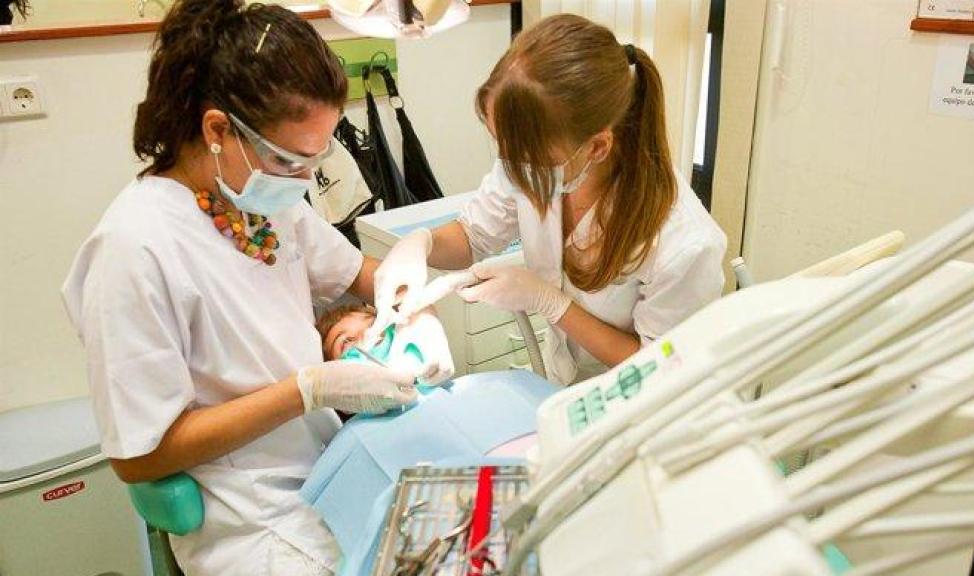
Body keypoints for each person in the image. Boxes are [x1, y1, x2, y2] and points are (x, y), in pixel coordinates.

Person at [61, 1, 451, 574]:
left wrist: (411, 301)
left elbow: (360, 276)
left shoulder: (265, 203)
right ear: (218, 129)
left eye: (315, 158)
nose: (303, 179)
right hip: (250, 521)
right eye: (291, 159)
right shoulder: (133, 250)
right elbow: (140, 456)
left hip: (333, 466)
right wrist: (309, 391)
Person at [369, 14, 727, 385]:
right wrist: (420, 245)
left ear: (598, 146)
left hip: (639, 407)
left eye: (526, 154)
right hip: (562, 385)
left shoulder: (684, 243)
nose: (511, 167)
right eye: (503, 146)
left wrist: (551, 303)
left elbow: (659, 368)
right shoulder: (530, 164)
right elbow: (473, 236)